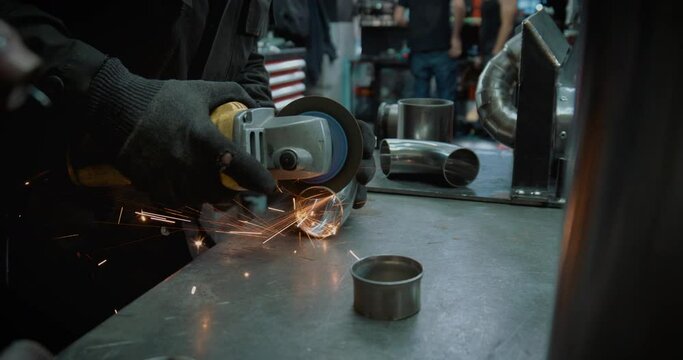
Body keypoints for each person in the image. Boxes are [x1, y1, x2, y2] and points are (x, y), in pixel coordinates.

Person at [0, 0, 375, 353]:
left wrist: (272, 135)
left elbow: (245, 57)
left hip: (173, 245)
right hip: (53, 218)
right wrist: (111, 96)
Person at [393, 0, 466, 102]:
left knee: (420, 100)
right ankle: (444, 118)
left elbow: (398, 18)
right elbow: (459, 6)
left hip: (418, 47)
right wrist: (456, 37)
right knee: (446, 99)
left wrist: (415, 24)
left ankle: (420, 118)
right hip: (442, 46)